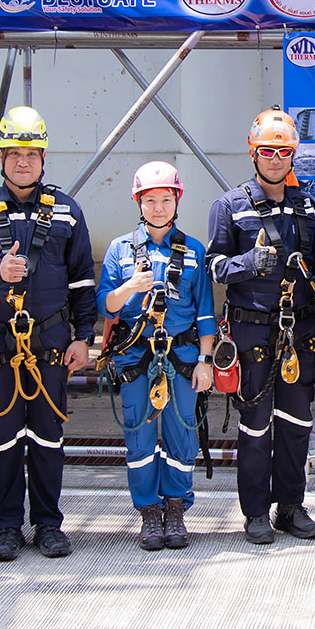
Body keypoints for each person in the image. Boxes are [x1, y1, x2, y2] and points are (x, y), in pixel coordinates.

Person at [0, 106, 97, 562]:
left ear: (43, 158)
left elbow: (82, 280)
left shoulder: (67, 212)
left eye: (31, 154)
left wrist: (84, 336)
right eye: (14, 153)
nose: (23, 162)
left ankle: (49, 524)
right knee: (3, 437)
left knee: (48, 436)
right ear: (1, 157)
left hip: (51, 342)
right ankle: (7, 526)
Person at [205, 109, 315, 545]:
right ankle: (256, 512)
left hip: (299, 334)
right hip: (252, 334)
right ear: (253, 153)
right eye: (267, 151)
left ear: (293, 155)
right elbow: (214, 266)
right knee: (256, 426)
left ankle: (291, 507)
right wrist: (249, 262)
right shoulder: (230, 206)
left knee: (296, 423)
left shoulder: (309, 207)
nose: (276, 159)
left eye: (283, 152)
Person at [98, 163, 217, 551]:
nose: (159, 208)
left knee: (183, 433)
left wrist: (205, 361)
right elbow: (106, 304)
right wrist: (130, 287)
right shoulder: (120, 250)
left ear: (177, 200)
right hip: (136, 359)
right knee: (139, 436)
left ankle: (176, 507)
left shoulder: (193, 250)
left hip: (182, 357)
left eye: (166, 199)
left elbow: (205, 312)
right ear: (138, 203)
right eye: (150, 200)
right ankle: (149, 510)